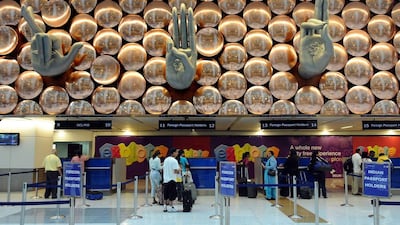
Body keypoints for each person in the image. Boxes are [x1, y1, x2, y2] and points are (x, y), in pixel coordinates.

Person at [162, 148, 181, 212]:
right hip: (172, 179)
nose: (177, 153)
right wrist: (179, 170)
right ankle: (171, 207)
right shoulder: (174, 161)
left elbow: (163, 168)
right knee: (172, 194)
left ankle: (165, 207)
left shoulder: (166, 159)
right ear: (173, 153)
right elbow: (176, 171)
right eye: (176, 152)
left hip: (165, 179)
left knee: (166, 193)